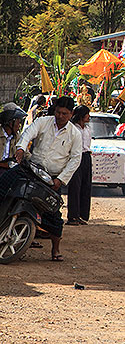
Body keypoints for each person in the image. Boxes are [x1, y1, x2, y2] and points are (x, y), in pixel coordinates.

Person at [14, 95, 82, 262]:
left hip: (52, 180)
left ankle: (55, 249)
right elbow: (28, 133)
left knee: (53, 215)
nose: (60, 116)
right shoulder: (43, 122)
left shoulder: (75, 134)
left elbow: (75, 159)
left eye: (65, 114)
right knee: (7, 186)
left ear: (71, 114)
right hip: (32, 169)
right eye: (58, 112)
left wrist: (60, 179)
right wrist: (21, 148)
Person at [67, 105, 92, 225]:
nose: (89, 116)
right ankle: (73, 215)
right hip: (76, 157)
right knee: (75, 186)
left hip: (86, 157)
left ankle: (82, 214)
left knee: (86, 186)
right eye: (87, 114)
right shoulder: (73, 129)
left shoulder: (87, 129)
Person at [1, 103, 27, 176]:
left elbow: (26, 153)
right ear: (10, 122)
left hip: (11, 170)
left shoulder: (17, 136)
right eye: (18, 122)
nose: (19, 125)